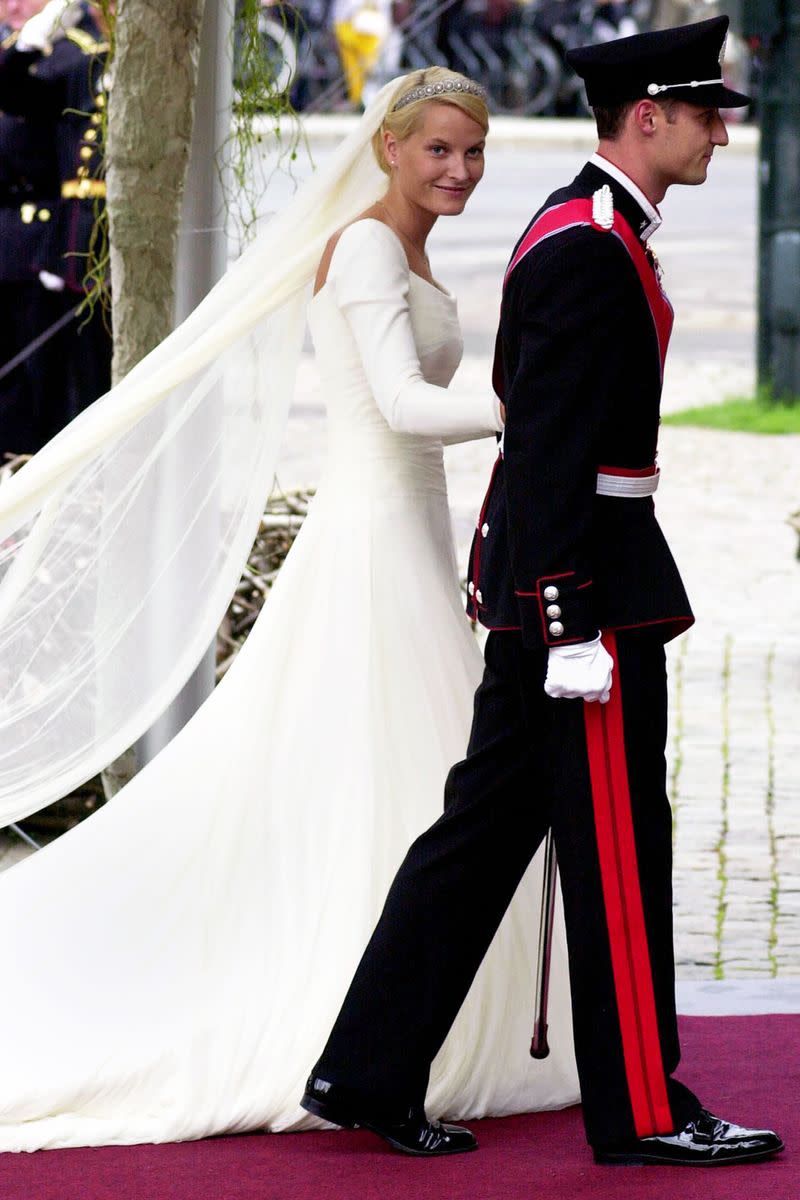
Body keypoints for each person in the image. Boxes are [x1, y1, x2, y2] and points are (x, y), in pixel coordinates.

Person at [0, 67, 580, 1152]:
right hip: (368, 542)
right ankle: (365, 1041)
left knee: (428, 780)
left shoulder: (404, 248)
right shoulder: (364, 247)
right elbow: (403, 406)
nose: (458, 171)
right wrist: (531, 404)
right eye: (438, 151)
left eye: (474, 151)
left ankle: (405, 1030)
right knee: (398, 783)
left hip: (412, 538)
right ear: (388, 148)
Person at [302, 19, 785, 1167]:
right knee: (616, 844)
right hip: (586, 595)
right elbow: (550, 447)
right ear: (646, 117)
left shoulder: (602, 228)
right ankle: (644, 1113)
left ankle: (364, 1068)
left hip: (569, 583)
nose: (721, 130)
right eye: (704, 112)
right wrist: (569, 622)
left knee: (480, 834)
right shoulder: (583, 244)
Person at [0, 0, 111, 458]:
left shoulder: (79, 56)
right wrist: (26, 48)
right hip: (70, 237)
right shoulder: (70, 61)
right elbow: (13, 92)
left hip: (89, 235)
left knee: (83, 371)